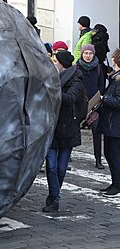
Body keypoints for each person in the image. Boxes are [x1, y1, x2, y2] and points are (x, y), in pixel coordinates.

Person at [43, 50, 85, 212]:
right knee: (51, 166)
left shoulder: (76, 79)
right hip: (53, 126)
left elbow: (70, 99)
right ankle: (54, 197)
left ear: (62, 64)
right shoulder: (53, 78)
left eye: (56, 61)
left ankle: (54, 196)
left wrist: (52, 89)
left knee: (61, 167)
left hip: (68, 127)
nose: (54, 63)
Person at [76, 44, 106, 169]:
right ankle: (68, 155)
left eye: (90, 53)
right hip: (79, 104)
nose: (88, 56)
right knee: (74, 129)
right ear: (82, 54)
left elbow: (101, 85)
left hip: (94, 106)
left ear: (94, 54)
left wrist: (97, 100)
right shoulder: (77, 67)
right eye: (86, 53)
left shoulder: (98, 68)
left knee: (96, 132)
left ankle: (98, 159)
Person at [97, 49, 120, 197]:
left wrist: (103, 98)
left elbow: (118, 102)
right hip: (110, 123)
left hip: (116, 125)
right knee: (109, 154)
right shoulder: (115, 78)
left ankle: (117, 185)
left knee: (114, 156)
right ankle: (114, 183)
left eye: (113, 58)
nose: (111, 60)